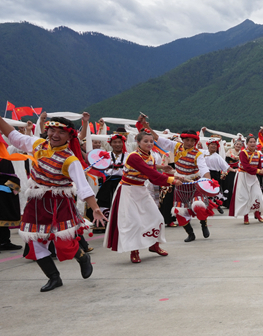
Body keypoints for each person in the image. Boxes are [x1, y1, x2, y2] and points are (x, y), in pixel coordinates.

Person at [0, 115, 105, 291]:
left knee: (64, 243)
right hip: (36, 201)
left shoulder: (70, 160)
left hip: (59, 203)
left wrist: (95, 208)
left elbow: (83, 187)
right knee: (35, 242)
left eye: (61, 132)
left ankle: (82, 257)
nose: (55, 135)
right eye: (52, 130)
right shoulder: (37, 145)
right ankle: (54, 277)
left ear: (70, 136)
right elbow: (14, 136)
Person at [105, 130, 182, 263]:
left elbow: (153, 176)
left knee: (157, 217)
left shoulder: (151, 157)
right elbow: (150, 173)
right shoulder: (134, 157)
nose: (149, 143)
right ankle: (134, 251)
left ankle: (154, 245)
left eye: (151, 141)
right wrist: (172, 180)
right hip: (128, 190)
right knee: (134, 222)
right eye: (145, 141)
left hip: (141, 189)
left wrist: (173, 176)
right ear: (138, 142)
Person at [144, 124, 212, 242]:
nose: (189, 143)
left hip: (194, 183)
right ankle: (190, 233)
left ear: (195, 141)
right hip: (180, 183)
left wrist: (209, 182)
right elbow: (158, 139)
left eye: (192, 141)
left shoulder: (198, 154)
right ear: (183, 139)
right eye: (187, 140)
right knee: (179, 211)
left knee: (199, 206)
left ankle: (203, 223)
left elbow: (204, 169)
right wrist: (147, 126)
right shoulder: (175, 146)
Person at [230, 134, 263, 224]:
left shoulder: (258, 154)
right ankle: (245, 216)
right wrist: (259, 171)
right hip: (243, 176)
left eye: (254, 142)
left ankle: (257, 213)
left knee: (257, 195)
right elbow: (246, 167)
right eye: (250, 142)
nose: (253, 143)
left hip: (253, 177)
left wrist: (262, 171)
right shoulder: (243, 153)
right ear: (246, 143)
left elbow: (259, 167)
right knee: (245, 197)